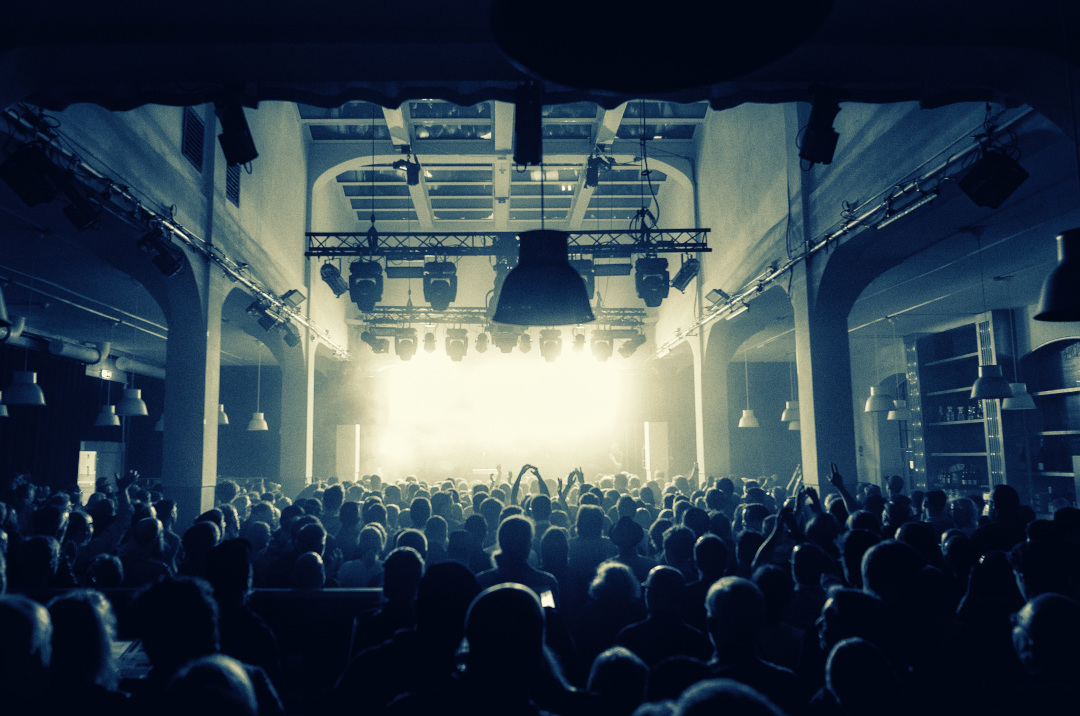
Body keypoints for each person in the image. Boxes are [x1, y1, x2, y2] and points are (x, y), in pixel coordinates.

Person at [615, 565, 711, 666]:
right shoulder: (699, 640)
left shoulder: (629, 637)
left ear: (651, 595)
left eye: (647, 590)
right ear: (681, 596)